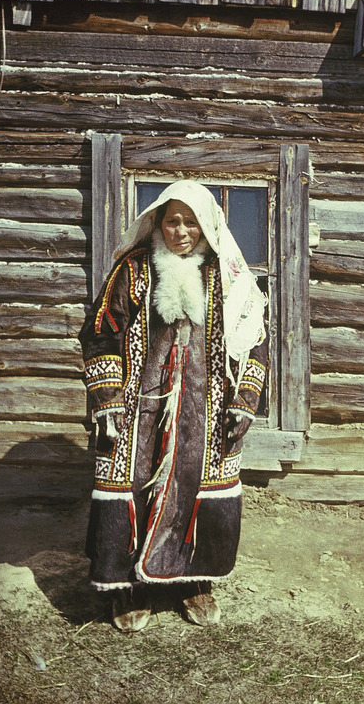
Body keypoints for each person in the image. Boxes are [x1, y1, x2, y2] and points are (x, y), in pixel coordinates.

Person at [79, 180, 267, 632]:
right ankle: (128, 586)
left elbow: (255, 338)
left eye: (190, 221)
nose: (181, 231)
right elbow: (101, 331)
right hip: (138, 404)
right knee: (134, 478)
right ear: (157, 224)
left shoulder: (228, 274)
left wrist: (245, 398)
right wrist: (107, 398)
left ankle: (193, 581)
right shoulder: (134, 269)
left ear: (206, 226)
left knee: (198, 481)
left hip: (207, 406)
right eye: (172, 220)